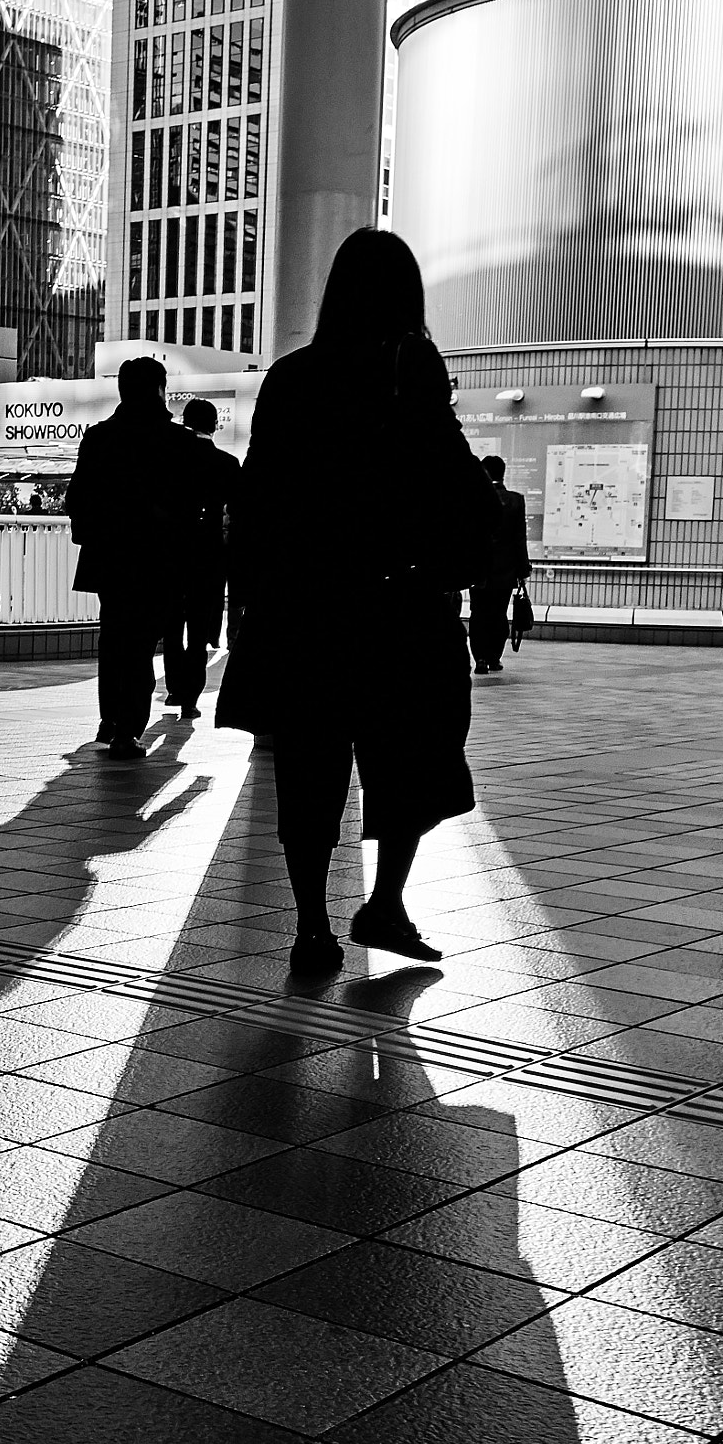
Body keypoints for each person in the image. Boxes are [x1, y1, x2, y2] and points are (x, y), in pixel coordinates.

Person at [218, 227, 492, 975]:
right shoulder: (410, 364)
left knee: (309, 769)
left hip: (306, 608)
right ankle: (385, 903)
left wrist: (248, 601)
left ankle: (312, 927)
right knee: (408, 758)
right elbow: (447, 470)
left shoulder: (292, 376)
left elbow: (259, 494)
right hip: (398, 604)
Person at [67, 356, 205, 759]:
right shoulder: (179, 443)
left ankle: (109, 721)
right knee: (142, 643)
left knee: (113, 637)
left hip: (109, 556)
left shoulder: (99, 438)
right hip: (158, 559)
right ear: (160, 390)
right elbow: (190, 508)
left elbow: (77, 498)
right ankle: (128, 728)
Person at [162, 397, 239, 720]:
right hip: (209, 558)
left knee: (171, 625)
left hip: (171, 553)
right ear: (214, 426)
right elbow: (238, 514)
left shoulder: (169, 457)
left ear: (184, 422)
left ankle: (174, 688)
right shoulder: (227, 464)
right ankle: (190, 698)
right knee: (198, 629)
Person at [469, 456, 532, 674]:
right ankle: (494, 657)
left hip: (478, 570)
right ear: (502, 473)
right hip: (506, 571)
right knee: (498, 613)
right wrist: (523, 569)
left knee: (478, 614)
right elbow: (519, 539)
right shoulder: (516, 500)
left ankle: (480, 659)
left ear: (484, 472)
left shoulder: (474, 500)